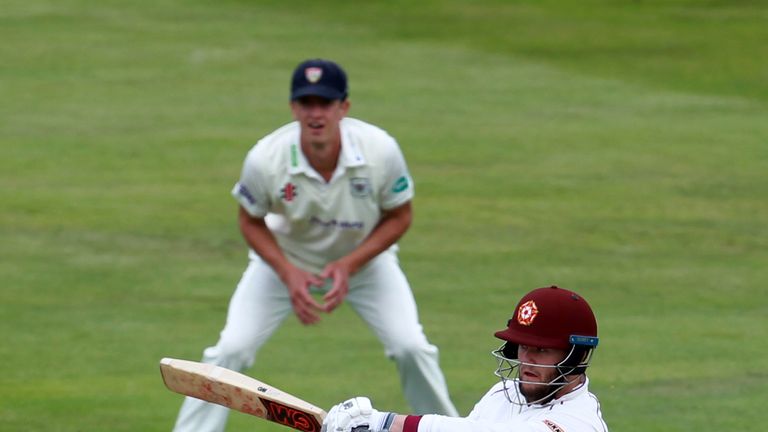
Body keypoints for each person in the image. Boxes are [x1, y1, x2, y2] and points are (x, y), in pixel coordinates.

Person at [172, 58, 458, 431]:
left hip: (366, 265)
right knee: (230, 349)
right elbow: (250, 220)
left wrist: (349, 264)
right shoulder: (266, 157)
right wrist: (288, 273)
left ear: (344, 108)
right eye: (306, 103)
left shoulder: (379, 150)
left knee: (411, 348)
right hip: (284, 263)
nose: (315, 113)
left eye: (325, 103)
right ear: (294, 108)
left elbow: (400, 216)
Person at [323, 286, 609, 432]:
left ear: (577, 355)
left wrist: (385, 424)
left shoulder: (578, 422)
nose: (527, 360)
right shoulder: (504, 394)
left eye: (542, 350)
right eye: (522, 346)